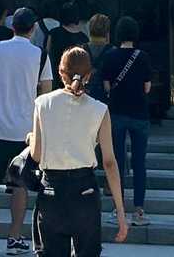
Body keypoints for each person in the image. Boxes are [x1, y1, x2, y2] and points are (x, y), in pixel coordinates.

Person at [28, 46, 129, 257]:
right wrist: (120, 212)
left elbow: (36, 155)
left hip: (51, 191)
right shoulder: (100, 110)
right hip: (85, 191)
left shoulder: (42, 104)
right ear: (89, 75)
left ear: (60, 72)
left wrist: (30, 138)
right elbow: (109, 163)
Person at [0, 8, 50, 254]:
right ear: (33, 28)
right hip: (25, 130)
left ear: (12, 26)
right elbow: (46, 92)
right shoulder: (40, 54)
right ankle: (14, 236)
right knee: (20, 184)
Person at [98, 15, 153, 226]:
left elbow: (106, 86)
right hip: (140, 114)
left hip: (117, 113)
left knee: (117, 162)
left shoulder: (110, 57)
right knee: (139, 162)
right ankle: (139, 210)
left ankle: (118, 209)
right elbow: (147, 87)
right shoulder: (143, 57)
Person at [45, 1, 88, 88]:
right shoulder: (83, 38)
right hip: (77, 81)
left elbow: (47, 53)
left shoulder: (54, 33)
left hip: (56, 77)